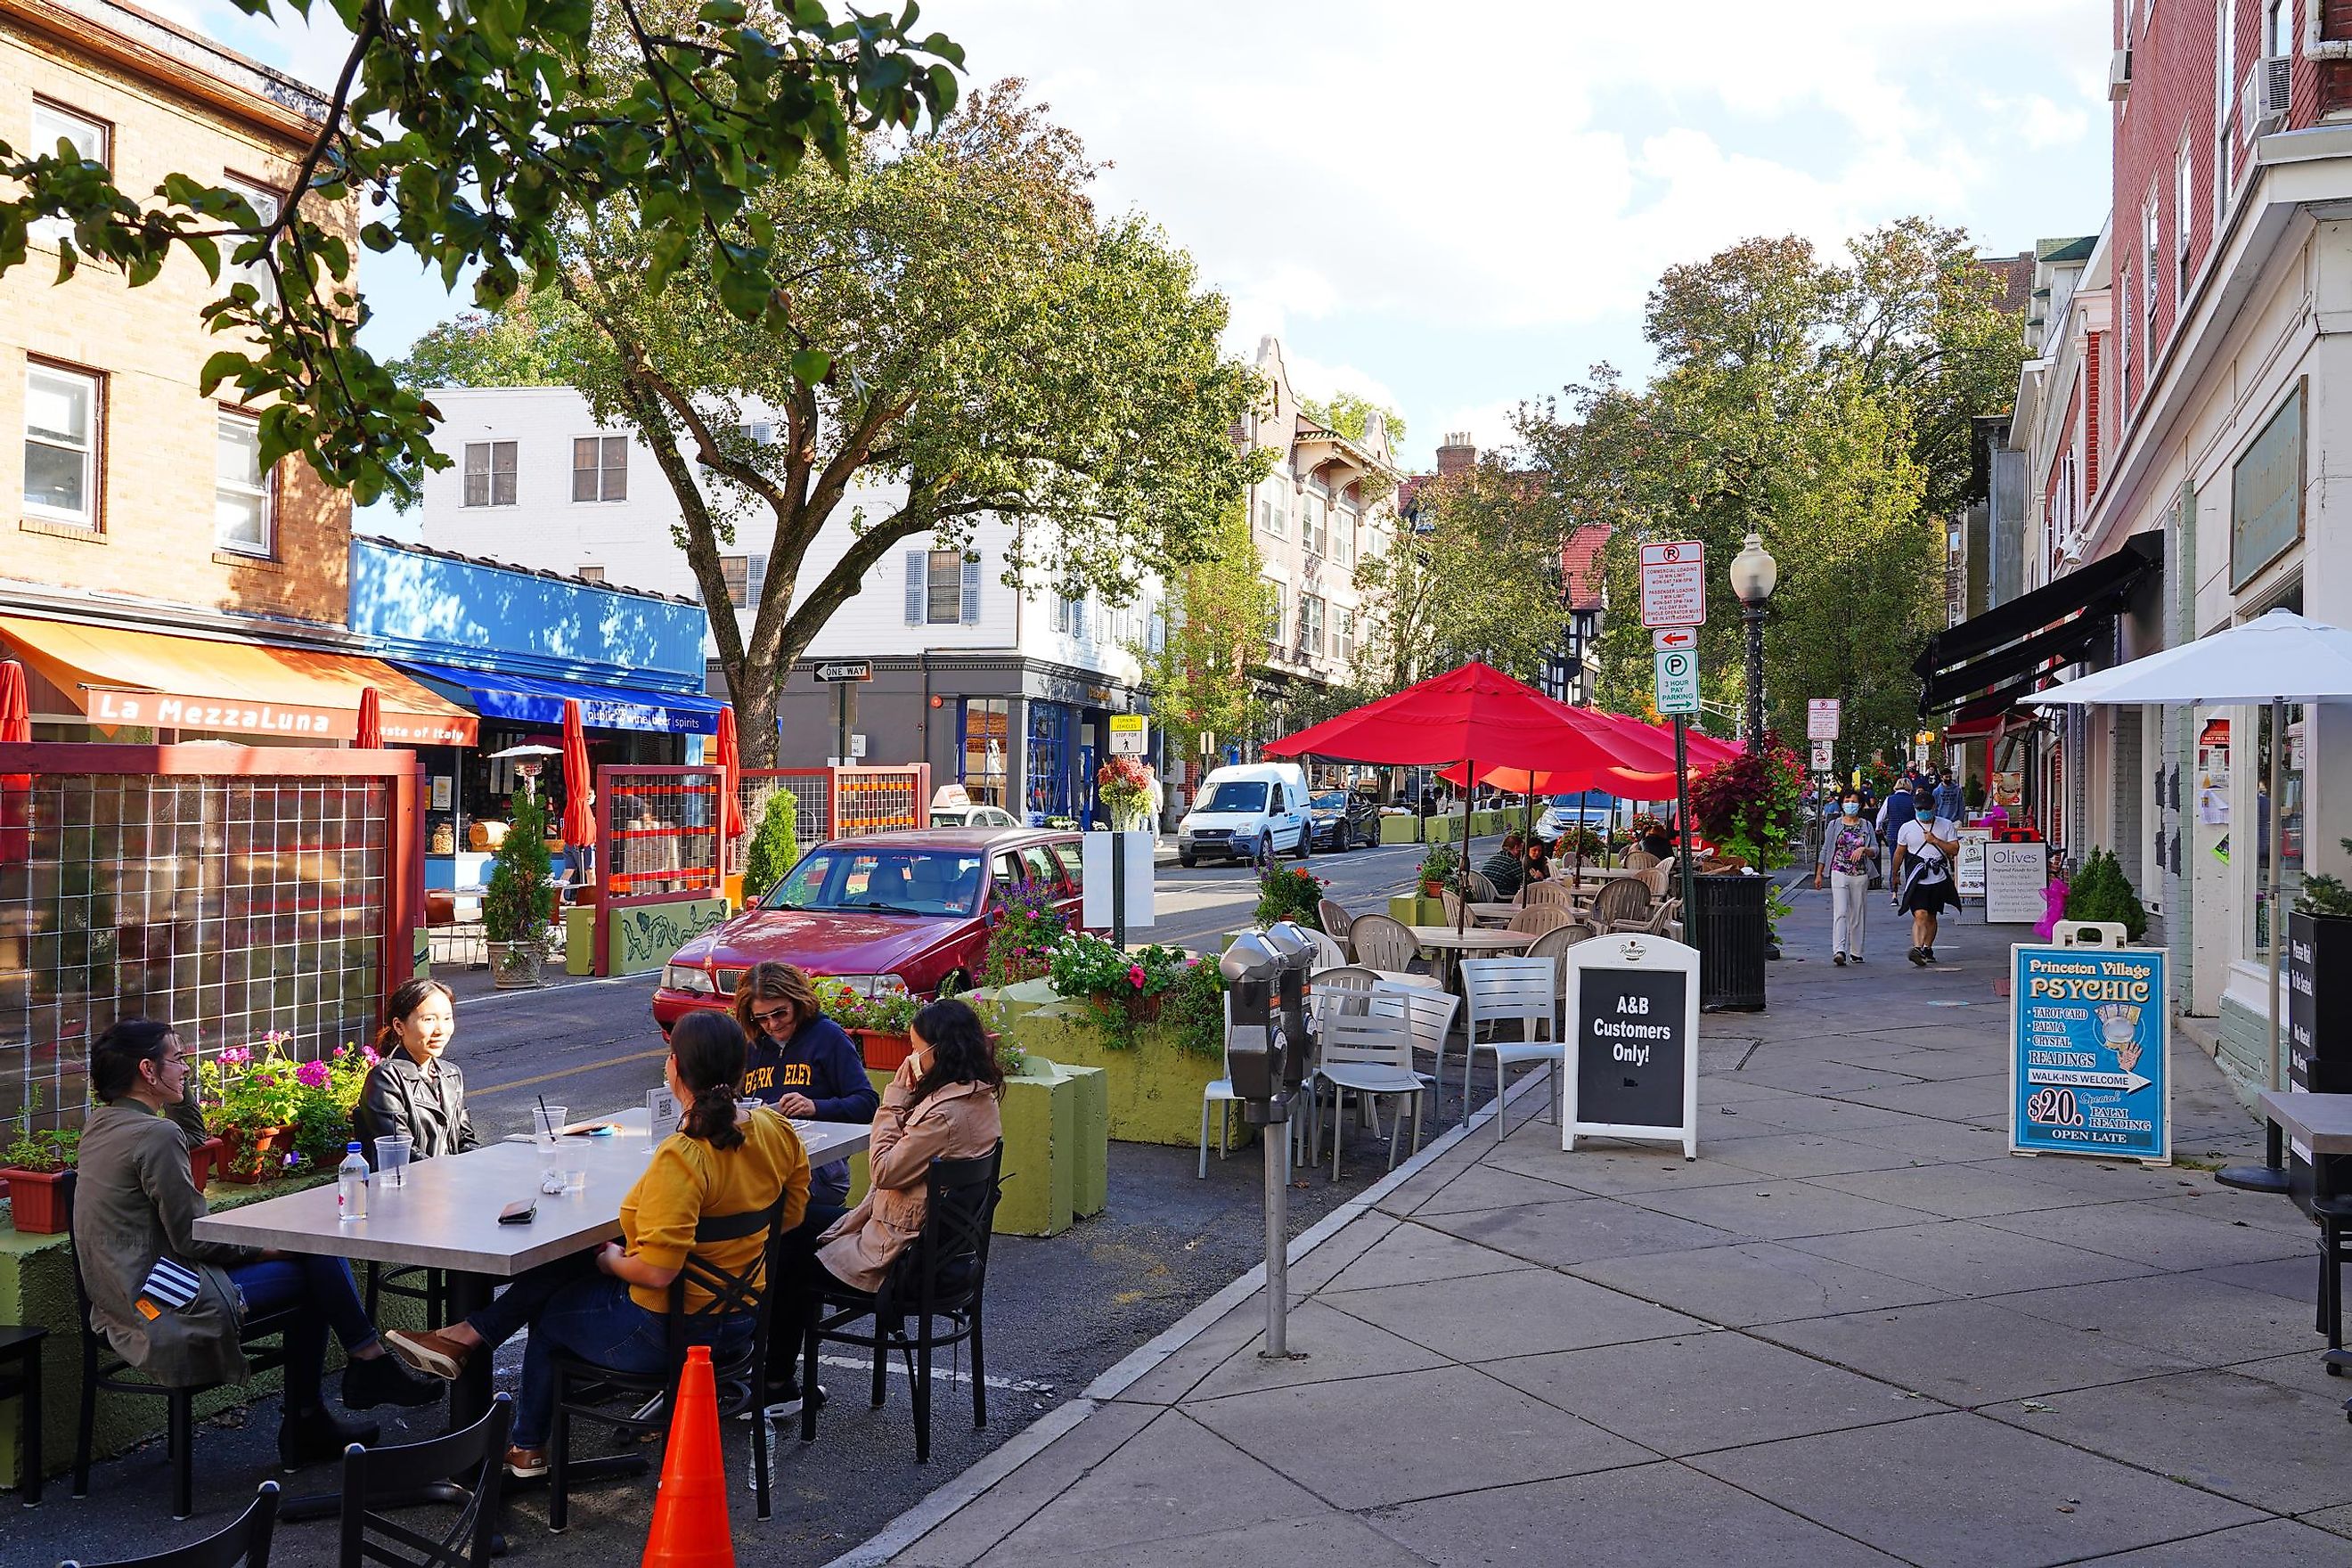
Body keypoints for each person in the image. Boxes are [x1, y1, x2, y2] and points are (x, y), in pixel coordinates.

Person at [386, 1011, 810, 1478]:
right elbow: (788, 1218)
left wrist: (613, 1262)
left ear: (675, 1067)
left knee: (550, 1313)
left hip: (669, 1333)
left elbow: (658, 1273)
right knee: (571, 1268)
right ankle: (467, 1338)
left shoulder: (685, 1155)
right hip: (741, 1322)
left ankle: (526, 1447)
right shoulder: (777, 1131)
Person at [74, 1020, 441, 1469]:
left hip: (121, 1297)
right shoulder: (154, 1135)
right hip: (165, 1302)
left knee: (313, 1263)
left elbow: (187, 1137)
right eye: (178, 1060)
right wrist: (265, 1249)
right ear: (147, 1070)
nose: (187, 1069)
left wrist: (175, 1088)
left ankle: (339, 1393)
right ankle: (347, 1381)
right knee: (317, 1259)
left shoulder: (103, 1125)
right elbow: (195, 1237)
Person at [804, 999, 1003, 1300]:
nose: (911, 1057)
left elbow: (883, 1171)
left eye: (914, 1049)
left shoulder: (943, 1116)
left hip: (898, 1260)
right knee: (801, 1221)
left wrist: (894, 1099)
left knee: (785, 1250)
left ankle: (774, 1349)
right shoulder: (979, 1097)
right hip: (940, 1253)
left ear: (937, 1052)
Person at [731, 961, 878, 1213]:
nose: (773, 1024)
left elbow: (867, 1103)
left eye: (780, 1013)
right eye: (762, 1018)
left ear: (797, 1003)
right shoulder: (751, 1044)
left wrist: (814, 1107)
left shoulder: (828, 1037)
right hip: (761, 1160)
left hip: (818, 1168)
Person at [354, 976, 477, 1163]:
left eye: (447, 1018)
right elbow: (403, 1151)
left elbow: (467, 1141)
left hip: (452, 1182)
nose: (440, 1029)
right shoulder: (385, 1078)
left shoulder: (451, 1074)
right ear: (399, 1026)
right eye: (429, 1020)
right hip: (409, 1185)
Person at [1814, 787, 1880, 966]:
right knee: (1841, 912)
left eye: (1854, 802)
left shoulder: (1866, 825)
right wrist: (1819, 873)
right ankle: (1839, 950)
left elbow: (1875, 849)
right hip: (1838, 870)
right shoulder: (1834, 825)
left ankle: (1856, 951)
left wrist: (1865, 849)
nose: (1850, 805)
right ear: (1842, 803)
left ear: (1860, 805)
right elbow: (1826, 849)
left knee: (1857, 914)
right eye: (1847, 801)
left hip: (1860, 874)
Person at [1893, 797, 1962, 966]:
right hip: (1917, 878)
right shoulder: (1907, 828)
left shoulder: (1946, 825)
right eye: (1919, 809)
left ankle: (1927, 948)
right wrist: (1894, 874)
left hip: (1938, 878)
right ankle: (1917, 948)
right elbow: (1899, 853)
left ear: (1934, 807)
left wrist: (1936, 841)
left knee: (1931, 916)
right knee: (1920, 914)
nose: (1923, 812)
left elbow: (1955, 849)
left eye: (1926, 808)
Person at [1479, 831, 1525, 898]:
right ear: (1516, 848)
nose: (1523, 852)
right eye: (1522, 849)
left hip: (1484, 896)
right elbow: (1528, 883)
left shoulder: (1493, 858)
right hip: (1501, 897)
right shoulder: (1513, 862)